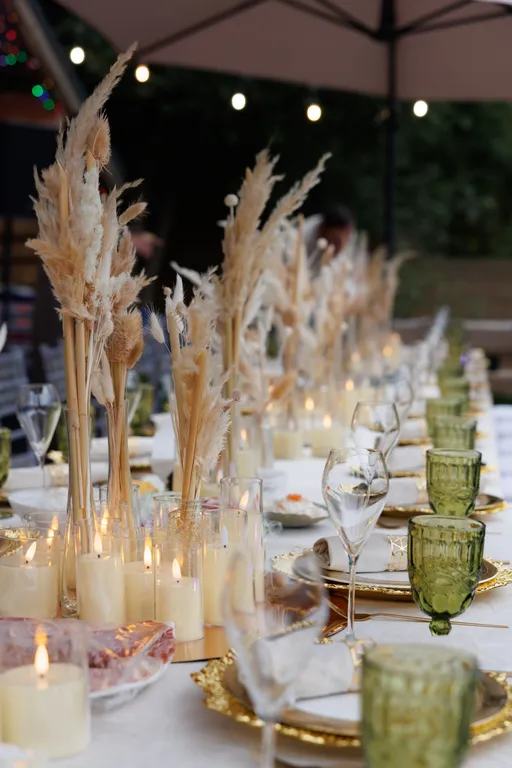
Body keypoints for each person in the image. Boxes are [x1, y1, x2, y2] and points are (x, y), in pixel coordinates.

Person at [303, 204, 355, 275]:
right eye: (336, 241)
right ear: (322, 229)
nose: (340, 248)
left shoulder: (346, 243)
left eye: (347, 239)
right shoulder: (303, 236)